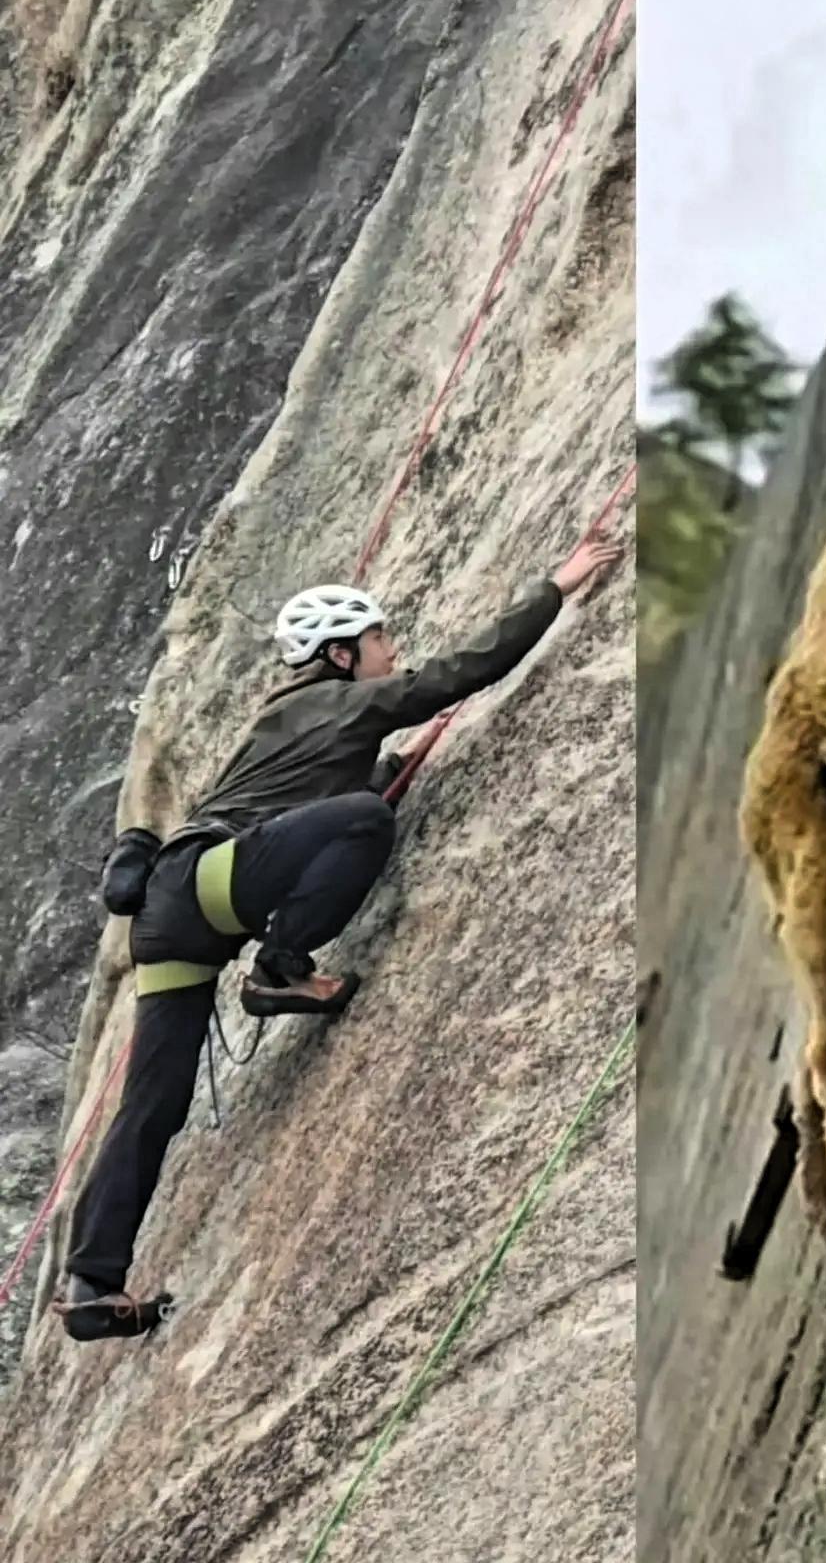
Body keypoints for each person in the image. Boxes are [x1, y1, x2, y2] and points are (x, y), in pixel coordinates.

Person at [55, 532, 621, 1342]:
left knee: (152, 1105)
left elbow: (298, 800)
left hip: (177, 910)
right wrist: (554, 588)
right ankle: (280, 967)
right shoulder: (336, 702)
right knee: (363, 820)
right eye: (380, 638)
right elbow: (454, 676)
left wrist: (384, 769)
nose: (393, 649)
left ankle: (91, 1284)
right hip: (213, 883)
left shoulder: (288, 720)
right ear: (342, 655)